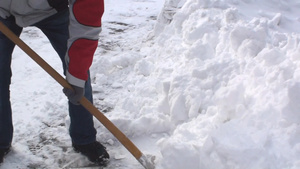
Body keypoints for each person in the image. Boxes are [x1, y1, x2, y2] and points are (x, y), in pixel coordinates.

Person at [0, 0, 109, 166]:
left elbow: (86, 24)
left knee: (78, 75)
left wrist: (77, 75)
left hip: (51, 10)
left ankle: (84, 139)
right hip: (2, 12)